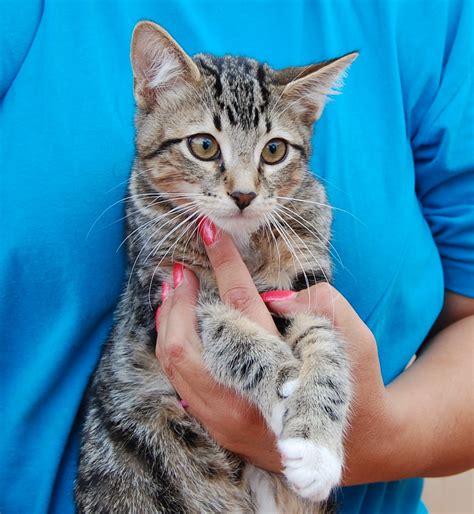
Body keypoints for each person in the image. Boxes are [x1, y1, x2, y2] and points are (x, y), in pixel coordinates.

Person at [1, 1, 472, 513]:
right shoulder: (154, 206)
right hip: (147, 483)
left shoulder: (430, 16)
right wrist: (275, 377)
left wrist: (375, 439)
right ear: (152, 97)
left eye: (272, 153)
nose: (242, 189)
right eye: (206, 146)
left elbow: (314, 326)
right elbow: (176, 326)